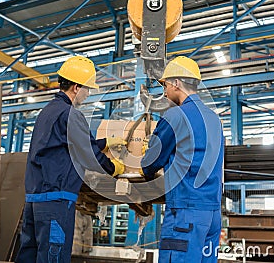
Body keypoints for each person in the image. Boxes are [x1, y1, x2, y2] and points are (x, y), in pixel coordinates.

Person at [16, 55, 125, 263]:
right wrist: (113, 167)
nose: (88, 94)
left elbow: (70, 143)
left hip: (34, 200)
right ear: (76, 87)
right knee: (52, 258)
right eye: (87, 89)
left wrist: (106, 142)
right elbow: (88, 154)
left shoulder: (47, 112)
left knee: (29, 255)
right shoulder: (70, 114)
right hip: (56, 201)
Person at [141, 56, 224, 263]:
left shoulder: (175, 116)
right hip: (212, 215)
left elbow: (149, 164)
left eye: (166, 85)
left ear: (176, 83)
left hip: (185, 215)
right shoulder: (215, 119)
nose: (165, 92)